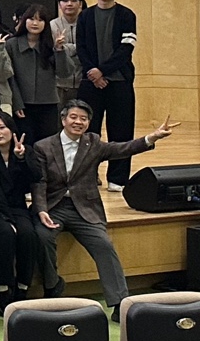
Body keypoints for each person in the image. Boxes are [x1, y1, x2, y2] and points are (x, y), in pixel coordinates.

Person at [31, 100, 179, 319]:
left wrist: (152, 137)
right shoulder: (43, 146)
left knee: (104, 245)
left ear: (89, 123)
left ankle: (120, 303)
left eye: (83, 119)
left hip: (85, 208)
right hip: (54, 207)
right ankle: (52, 285)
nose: (78, 122)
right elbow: (39, 182)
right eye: (73, 117)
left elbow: (122, 149)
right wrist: (41, 210)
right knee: (42, 236)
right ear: (63, 119)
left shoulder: (93, 142)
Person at [76, 0, 139, 190]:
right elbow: (81, 47)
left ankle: (117, 179)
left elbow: (126, 49)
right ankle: (87, 176)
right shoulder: (85, 16)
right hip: (90, 82)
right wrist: (93, 72)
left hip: (119, 82)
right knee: (87, 131)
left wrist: (102, 71)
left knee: (121, 131)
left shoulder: (126, 15)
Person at [0, 111, 40, 312]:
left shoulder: (25, 150)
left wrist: (21, 159)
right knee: (5, 233)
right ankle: (1, 286)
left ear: (12, 130)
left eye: (2, 127)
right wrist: (9, 220)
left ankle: (23, 286)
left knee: (28, 234)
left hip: (17, 205)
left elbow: (36, 177)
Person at [8, 4, 60, 142]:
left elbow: (64, 72)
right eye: (31, 19)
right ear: (24, 20)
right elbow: (10, 78)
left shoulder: (51, 44)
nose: (35, 23)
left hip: (48, 104)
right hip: (22, 105)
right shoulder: (11, 44)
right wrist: (17, 103)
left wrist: (60, 50)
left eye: (40, 20)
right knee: (25, 143)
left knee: (47, 144)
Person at [52, 0, 85, 105]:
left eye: (74, 0)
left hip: (84, 82)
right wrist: (78, 48)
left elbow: (89, 51)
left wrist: (64, 48)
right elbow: (52, 53)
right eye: (65, 0)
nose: (69, 4)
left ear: (80, 4)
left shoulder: (88, 24)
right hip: (58, 85)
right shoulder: (51, 25)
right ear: (59, 4)